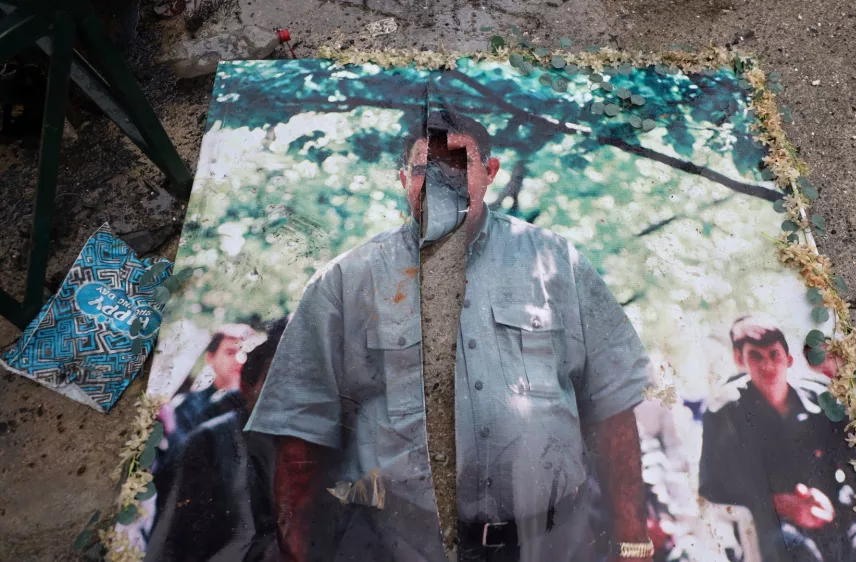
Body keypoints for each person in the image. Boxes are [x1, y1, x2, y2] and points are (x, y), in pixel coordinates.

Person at [245, 110, 654, 562]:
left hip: (557, 539)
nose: (440, 180)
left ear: (490, 172)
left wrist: (632, 540)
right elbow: (301, 438)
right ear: (404, 179)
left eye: (457, 163)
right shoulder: (344, 282)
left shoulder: (558, 263)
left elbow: (612, 407)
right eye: (423, 169)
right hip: (402, 544)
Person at [699, 314, 856, 562]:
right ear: (741, 361)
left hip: (835, 515)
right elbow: (713, 486)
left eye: (774, 354)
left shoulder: (822, 402)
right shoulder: (725, 413)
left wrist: (835, 507)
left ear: (789, 359)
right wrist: (778, 503)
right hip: (773, 525)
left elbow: (855, 463)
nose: (768, 366)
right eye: (755, 357)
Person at [146, 318, 286, 562]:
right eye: (231, 352)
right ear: (210, 358)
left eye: (243, 352)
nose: (238, 359)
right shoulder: (197, 414)